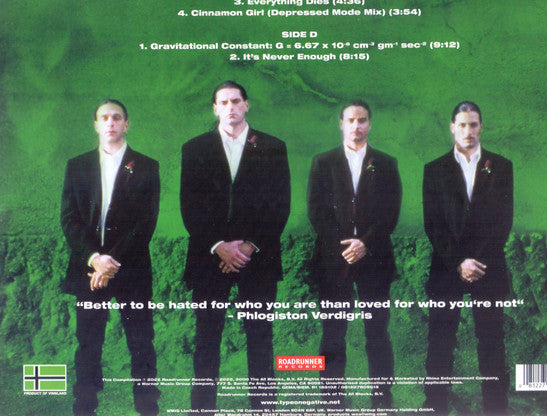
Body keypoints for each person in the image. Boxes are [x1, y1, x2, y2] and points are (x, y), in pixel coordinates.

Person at [180, 81, 291, 412]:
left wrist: (249, 245)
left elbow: (280, 204)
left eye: (236, 101)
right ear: (215, 108)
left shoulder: (272, 146)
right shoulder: (194, 148)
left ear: (246, 105)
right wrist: (218, 245)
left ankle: (264, 409)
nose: (230, 107)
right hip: (209, 257)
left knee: (260, 339)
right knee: (206, 340)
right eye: (223, 102)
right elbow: (189, 206)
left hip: (258, 257)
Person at [61, 99, 160, 416]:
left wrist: (110, 263)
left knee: (141, 342)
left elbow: (145, 222)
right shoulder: (77, 165)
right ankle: (84, 406)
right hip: (88, 270)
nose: (110, 122)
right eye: (104, 118)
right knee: (88, 343)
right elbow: (69, 219)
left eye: (116, 117)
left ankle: (147, 407)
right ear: (96, 125)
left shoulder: (147, 166)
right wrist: (95, 259)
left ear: (126, 124)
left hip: (131, 269)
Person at [308, 100, 401, 409]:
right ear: (341, 124)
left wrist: (365, 244)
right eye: (350, 120)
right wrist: (346, 246)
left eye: (362, 120)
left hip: (375, 259)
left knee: (378, 333)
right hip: (334, 262)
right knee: (333, 334)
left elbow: (391, 213)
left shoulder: (386, 163)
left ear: (369, 124)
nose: (356, 126)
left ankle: (382, 402)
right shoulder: (323, 162)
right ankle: (331, 403)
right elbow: (317, 213)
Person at [423, 101, 513, 415]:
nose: (468, 131)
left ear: (481, 127)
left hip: (489, 267)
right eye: (462, 125)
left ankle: (496, 408)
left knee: (491, 341)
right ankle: (434, 407)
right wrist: (459, 261)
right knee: (440, 342)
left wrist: (476, 260)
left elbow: (503, 221)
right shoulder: (434, 169)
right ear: (452, 128)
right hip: (447, 268)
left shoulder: (501, 166)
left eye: (473, 124)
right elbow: (433, 224)